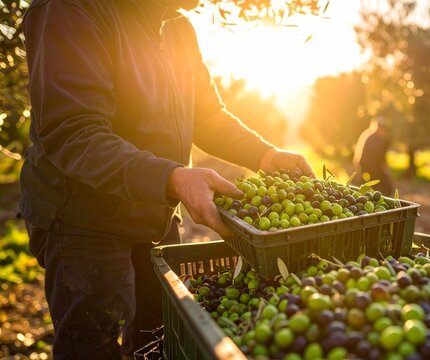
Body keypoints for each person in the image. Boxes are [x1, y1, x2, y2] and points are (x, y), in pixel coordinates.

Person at [19, 0, 313, 358]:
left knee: (159, 338)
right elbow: (73, 131)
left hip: (154, 214)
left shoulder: (177, 27)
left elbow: (207, 116)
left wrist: (265, 155)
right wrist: (172, 178)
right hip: (84, 222)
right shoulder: (71, 9)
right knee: (92, 345)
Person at [353, 116, 395, 196]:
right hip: (370, 167)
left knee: (371, 186)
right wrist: (384, 168)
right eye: (383, 129)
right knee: (381, 185)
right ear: (379, 128)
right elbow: (378, 156)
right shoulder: (374, 138)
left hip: (367, 166)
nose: (384, 132)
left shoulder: (369, 135)